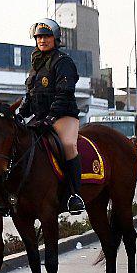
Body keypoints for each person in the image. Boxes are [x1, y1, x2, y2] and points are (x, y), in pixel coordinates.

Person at [15, 19, 86, 214]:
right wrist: (20, 114)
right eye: (39, 37)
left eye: (46, 37)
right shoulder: (36, 64)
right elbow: (30, 96)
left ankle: (74, 195)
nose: (42, 40)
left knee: (68, 145)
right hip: (41, 118)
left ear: (55, 39)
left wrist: (51, 117)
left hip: (63, 116)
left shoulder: (63, 62)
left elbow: (64, 92)